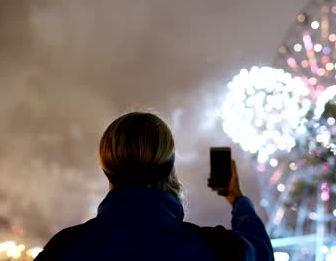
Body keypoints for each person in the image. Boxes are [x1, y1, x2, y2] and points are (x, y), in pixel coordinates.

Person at [35, 112, 274, 261]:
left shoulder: (62, 248)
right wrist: (237, 200)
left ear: (107, 169)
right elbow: (261, 249)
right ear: (169, 167)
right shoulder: (216, 248)